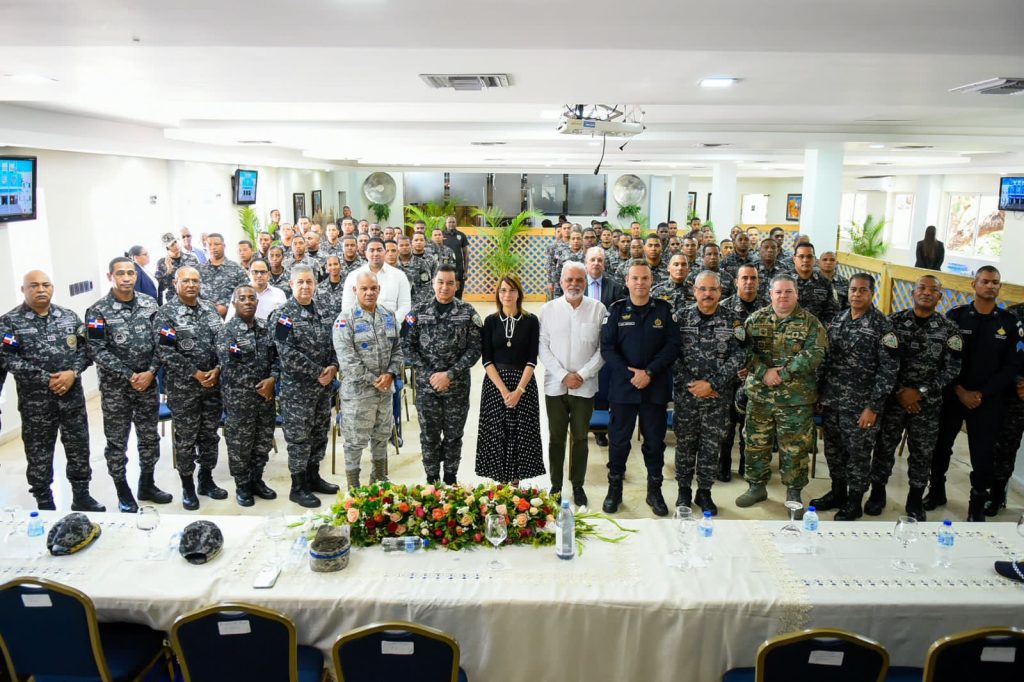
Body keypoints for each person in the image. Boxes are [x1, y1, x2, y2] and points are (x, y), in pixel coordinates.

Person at [0, 270, 104, 512]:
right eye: (34, 285)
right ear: (23, 290)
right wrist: (48, 379)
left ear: (52, 287)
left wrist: (73, 373)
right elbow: (7, 358)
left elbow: (86, 350)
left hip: (72, 400)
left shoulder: (68, 317)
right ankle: (45, 501)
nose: (40, 289)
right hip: (36, 404)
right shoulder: (9, 323)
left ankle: (82, 495)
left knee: (79, 448)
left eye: (45, 284)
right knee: (39, 455)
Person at [927, 266, 1023, 521]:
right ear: (974, 285)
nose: (990, 286)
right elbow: (943, 358)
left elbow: (1012, 365)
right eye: (985, 281)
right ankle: (936, 491)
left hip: (988, 400)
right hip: (953, 395)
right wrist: (959, 390)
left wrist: (981, 393)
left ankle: (977, 502)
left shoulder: (1008, 323)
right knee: (941, 447)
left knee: (983, 454)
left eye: (995, 283)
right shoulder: (956, 317)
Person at [868, 275, 962, 521]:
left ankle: (914, 500)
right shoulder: (893, 322)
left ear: (940, 296)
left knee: (921, 452)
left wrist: (920, 391)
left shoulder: (949, 329)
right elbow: (881, 360)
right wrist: (900, 391)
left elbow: (952, 369)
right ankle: (877, 494)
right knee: (884, 448)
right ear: (913, 292)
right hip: (893, 401)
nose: (927, 292)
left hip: (926, 405)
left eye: (933, 290)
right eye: (921, 287)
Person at [85, 256, 170, 513]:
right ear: (110, 276)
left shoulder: (149, 304)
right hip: (116, 390)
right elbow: (96, 350)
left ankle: (147, 483)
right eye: (120, 273)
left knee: (149, 437)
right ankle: (123, 491)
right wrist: (130, 375)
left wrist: (151, 371)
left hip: (148, 385)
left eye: (130, 273)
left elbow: (163, 341)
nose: (126, 278)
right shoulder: (98, 311)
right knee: (117, 442)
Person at [811, 274, 899, 521]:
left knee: (858, 456)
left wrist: (873, 407)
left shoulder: (883, 326)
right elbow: (826, 360)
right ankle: (837, 493)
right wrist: (819, 394)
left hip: (861, 407)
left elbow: (888, 371)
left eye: (862, 290)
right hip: (832, 402)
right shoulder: (838, 320)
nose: (856, 294)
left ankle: (854, 502)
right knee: (834, 452)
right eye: (853, 290)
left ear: (872, 294)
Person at [736, 274, 827, 510]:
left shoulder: (811, 323)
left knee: (795, 447)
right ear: (770, 294)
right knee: (756, 443)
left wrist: (782, 374)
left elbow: (814, 354)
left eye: (788, 292)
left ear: (797, 293)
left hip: (796, 399)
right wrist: (764, 372)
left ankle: (794, 491)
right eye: (778, 292)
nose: (783, 296)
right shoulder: (755, 320)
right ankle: (756, 487)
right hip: (760, 396)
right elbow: (744, 353)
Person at [600, 262, 680, 516]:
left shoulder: (665, 310)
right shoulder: (616, 310)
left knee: (655, 443)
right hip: (624, 389)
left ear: (652, 280)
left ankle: (654, 491)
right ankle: (614, 490)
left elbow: (672, 346)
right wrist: (629, 373)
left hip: (654, 388)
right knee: (619, 441)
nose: (640, 283)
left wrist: (649, 372)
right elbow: (607, 348)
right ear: (627, 281)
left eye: (645, 278)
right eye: (635, 278)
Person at [672, 271, 747, 516]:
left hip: (717, 398)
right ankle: (683, 490)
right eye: (702, 289)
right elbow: (670, 355)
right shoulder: (680, 318)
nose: (707, 294)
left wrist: (713, 384)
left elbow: (740, 355)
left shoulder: (733, 321)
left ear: (720, 292)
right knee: (684, 445)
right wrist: (692, 385)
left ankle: (704, 491)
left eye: (712, 289)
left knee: (710, 446)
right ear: (694, 291)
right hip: (687, 396)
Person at [153, 266, 226, 510]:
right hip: (184, 389)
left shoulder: (210, 310)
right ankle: (187, 487)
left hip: (212, 386)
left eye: (195, 280)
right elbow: (165, 351)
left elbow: (223, 343)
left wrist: (217, 369)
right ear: (176, 283)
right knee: (185, 439)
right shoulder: (166, 314)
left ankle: (206, 480)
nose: (192, 285)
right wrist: (195, 373)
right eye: (186, 281)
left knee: (209, 436)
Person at [403, 265, 482, 485]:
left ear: (457, 285)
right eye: (440, 282)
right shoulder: (417, 313)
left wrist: (450, 374)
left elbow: (475, 349)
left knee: (454, 436)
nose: (444, 287)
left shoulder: (468, 313)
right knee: (429, 436)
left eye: (449, 283)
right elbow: (407, 347)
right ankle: (431, 479)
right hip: (427, 388)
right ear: (433, 282)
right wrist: (431, 375)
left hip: (456, 387)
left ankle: (450, 478)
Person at [538, 262, 606, 506]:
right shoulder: (548, 309)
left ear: (585, 282)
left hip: (585, 387)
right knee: (556, 438)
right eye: (569, 280)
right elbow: (542, 346)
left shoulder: (598, 310)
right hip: (555, 386)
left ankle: (578, 485)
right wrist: (563, 375)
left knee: (579, 438)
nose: (574, 284)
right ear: (561, 282)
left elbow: (603, 349)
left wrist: (583, 374)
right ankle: (555, 485)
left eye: (579, 280)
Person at [273, 264, 340, 508]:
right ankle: (297, 486)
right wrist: (317, 372)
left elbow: (336, 342)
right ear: (291, 285)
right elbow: (285, 352)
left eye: (309, 282)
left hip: (323, 389)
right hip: (298, 390)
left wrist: (333, 367)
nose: (304, 286)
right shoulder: (283, 316)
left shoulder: (324, 310)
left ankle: (314, 476)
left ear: (315, 284)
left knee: (320, 432)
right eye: (300, 282)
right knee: (299, 438)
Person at [332, 271, 403, 489]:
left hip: (384, 393)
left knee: (381, 438)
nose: (369, 292)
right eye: (364, 289)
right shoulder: (345, 320)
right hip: (358, 395)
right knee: (354, 443)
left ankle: (379, 480)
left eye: (373, 288)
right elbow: (347, 361)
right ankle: (353, 487)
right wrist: (376, 380)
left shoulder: (389, 316)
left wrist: (390, 374)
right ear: (355, 291)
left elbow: (398, 349)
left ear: (379, 289)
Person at [476, 276, 543, 486]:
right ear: (498, 293)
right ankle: (499, 486)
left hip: (523, 385)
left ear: (519, 294)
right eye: (503, 290)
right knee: (498, 434)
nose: (507, 295)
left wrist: (518, 391)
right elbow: (487, 359)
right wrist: (505, 391)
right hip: (496, 385)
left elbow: (532, 359)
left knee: (520, 435)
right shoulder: (490, 321)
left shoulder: (531, 320)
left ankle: (515, 484)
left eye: (512, 290)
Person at [216, 285, 278, 507]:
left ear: (257, 302)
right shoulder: (227, 332)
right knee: (240, 445)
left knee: (262, 442)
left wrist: (272, 380)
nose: (248, 302)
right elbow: (232, 367)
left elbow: (277, 358)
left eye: (252, 298)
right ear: (234, 303)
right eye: (242, 298)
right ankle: (242, 485)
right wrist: (259, 386)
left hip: (266, 399)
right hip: (240, 400)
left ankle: (256, 480)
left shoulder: (265, 328)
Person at [718, 264, 766, 481]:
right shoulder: (723, 308)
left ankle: (747, 464)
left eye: (753, 278)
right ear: (736, 281)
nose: (749, 282)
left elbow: (773, 347)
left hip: (758, 378)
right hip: (729, 378)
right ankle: (724, 462)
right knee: (726, 425)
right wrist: (735, 368)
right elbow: (717, 346)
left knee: (752, 424)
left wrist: (754, 369)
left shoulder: (769, 309)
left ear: (758, 281)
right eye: (744, 278)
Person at [988, 301, 1024, 516]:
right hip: (1015, 393)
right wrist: (1018, 381)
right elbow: (1002, 354)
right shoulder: (1014, 313)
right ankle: (997, 495)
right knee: (1005, 446)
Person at [341, 238, 412, 325]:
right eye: (371, 250)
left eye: (379, 250)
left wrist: (389, 323)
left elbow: (405, 306)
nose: (375, 253)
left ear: (385, 252)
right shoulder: (353, 276)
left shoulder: (400, 276)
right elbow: (347, 307)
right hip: (361, 329)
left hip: (391, 329)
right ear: (366, 253)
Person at [197, 233, 249, 318]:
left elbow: (245, 293)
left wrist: (227, 306)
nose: (213, 247)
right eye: (209, 244)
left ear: (224, 246)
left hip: (230, 318)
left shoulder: (236, 269)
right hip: (204, 318)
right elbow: (193, 294)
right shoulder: (198, 270)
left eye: (216, 244)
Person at [792, 242, 839, 324]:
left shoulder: (824, 283)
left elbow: (831, 311)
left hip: (815, 332)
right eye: (801, 256)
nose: (805, 260)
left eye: (809, 256)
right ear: (794, 259)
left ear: (814, 259)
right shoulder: (782, 281)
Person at [155, 232, 200, 304]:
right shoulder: (161, 262)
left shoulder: (191, 258)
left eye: (175, 242)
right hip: (174, 301)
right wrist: (169, 270)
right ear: (167, 248)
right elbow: (160, 287)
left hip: (192, 297)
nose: (176, 245)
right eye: (172, 245)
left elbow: (199, 279)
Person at [651, 253, 693, 320]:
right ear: (668, 268)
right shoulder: (656, 291)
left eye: (683, 265)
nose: (680, 268)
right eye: (676, 264)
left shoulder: (696, 291)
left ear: (688, 269)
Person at [396, 235, 434, 308]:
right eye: (401, 245)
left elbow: (426, 285)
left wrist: (416, 303)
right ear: (397, 247)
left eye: (407, 245)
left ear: (411, 246)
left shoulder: (421, 263)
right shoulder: (393, 264)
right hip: (397, 304)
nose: (404, 247)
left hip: (417, 304)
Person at [442, 215, 470, 299]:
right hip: (445, 269)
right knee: (446, 291)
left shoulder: (461, 235)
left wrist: (465, 271)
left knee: (458, 292)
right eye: (449, 222)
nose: (451, 224)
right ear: (446, 223)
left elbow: (466, 254)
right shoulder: (441, 235)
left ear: (456, 223)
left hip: (459, 270)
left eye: (453, 222)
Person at [553, 229, 586, 297]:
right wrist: (557, 293)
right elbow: (558, 275)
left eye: (578, 238)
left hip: (584, 291)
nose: (575, 241)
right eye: (573, 239)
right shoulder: (563, 255)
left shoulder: (587, 255)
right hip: (567, 290)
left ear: (582, 240)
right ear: (569, 241)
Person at [315, 255, 347, 323]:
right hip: (325, 326)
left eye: (335, 264)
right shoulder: (320, 287)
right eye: (330, 265)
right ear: (326, 267)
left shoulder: (347, 285)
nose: (333, 267)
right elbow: (316, 307)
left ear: (340, 265)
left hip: (343, 324)